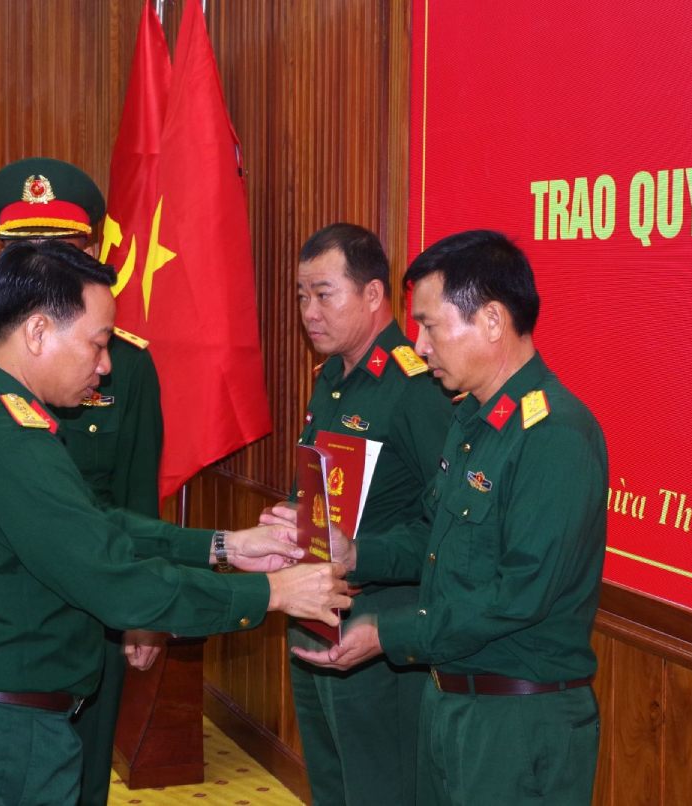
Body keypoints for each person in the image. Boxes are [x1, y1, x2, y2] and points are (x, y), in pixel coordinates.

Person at [0, 239, 351, 805]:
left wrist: (224, 545)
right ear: (38, 332)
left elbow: (88, 523)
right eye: (97, 342)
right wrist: (273, 593)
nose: (106, 364)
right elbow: (117, 583)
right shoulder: (7, 438)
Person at [289, 230, 608, 805]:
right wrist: (356, 554)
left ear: (492, 320)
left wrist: (388, 633)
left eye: (431, 327)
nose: (421, 345)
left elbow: (519, 594)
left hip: (516, 722)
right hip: (449, 700)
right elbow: (428, 535)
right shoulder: (473, 423)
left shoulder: (554, 434)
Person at [0, 157, 164, 804]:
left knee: (84, 771)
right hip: (7, 608)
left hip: (98, 594)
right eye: (25, 250)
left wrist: (143, 613)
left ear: (89, 255)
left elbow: (137, 492)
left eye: (61, 250)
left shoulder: (125, 364)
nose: (44, 267)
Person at [283, 223, 453, 805]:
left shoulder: (416, 388)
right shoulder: (332, 377)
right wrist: (287, 521)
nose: (309, 312)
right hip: (315, 614)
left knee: (379, 790)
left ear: (373, 294)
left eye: (324, 294)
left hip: (377, 629)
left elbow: (447, 529)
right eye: (302, 295)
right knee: (331, 786)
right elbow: (321, 493)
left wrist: (363, 555)